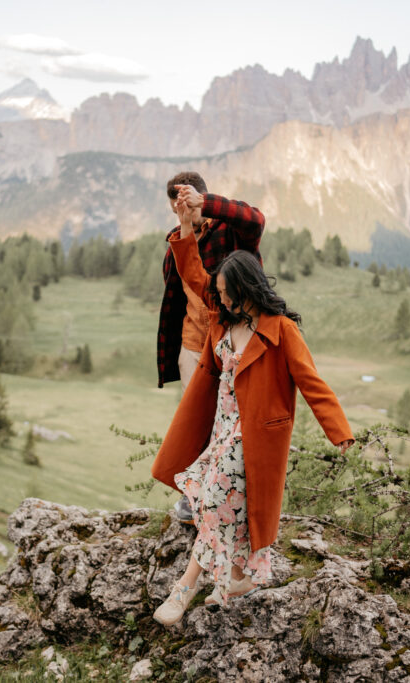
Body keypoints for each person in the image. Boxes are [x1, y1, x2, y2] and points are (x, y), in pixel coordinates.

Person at [150, 196, 353, 626]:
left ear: (245, 290)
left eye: (225, 295)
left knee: (214, 496)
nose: (218, 302)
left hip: (256, 434)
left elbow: (311, 382)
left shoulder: (281, 330)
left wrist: (340, 432)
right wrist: (187, 226)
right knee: (225, 503)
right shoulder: (224, 319)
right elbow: (192, 273)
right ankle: (239, 577)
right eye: (217, 296)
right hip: (222, 428)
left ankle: (184, 588)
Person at [156, 172, 265, 526]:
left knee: (232, 419)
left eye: (191, 200)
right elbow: (187, 286)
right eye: (179, 204)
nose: (185, 207)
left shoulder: (231, 230)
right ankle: (195, 495)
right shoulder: (175, 243)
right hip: (192, 345)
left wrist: (207, 204)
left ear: (203, 197)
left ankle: (234, 496)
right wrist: (186, 227)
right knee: (197, 420)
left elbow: (256, 219)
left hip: (233, 338)